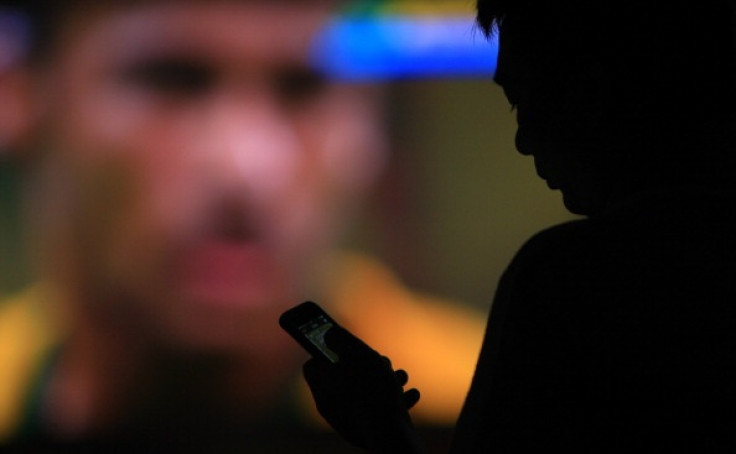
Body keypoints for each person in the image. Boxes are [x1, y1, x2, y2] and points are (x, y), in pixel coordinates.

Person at [0, 0, 485, 448]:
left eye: (304, 87)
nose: (247, 166)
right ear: (20, 92)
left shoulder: (499, 402)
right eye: (172, 78)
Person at [302, 0, 736, 452]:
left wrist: (380, 427)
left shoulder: (566, 278)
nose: (522, 139)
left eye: (523, 98)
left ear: (589, 92)